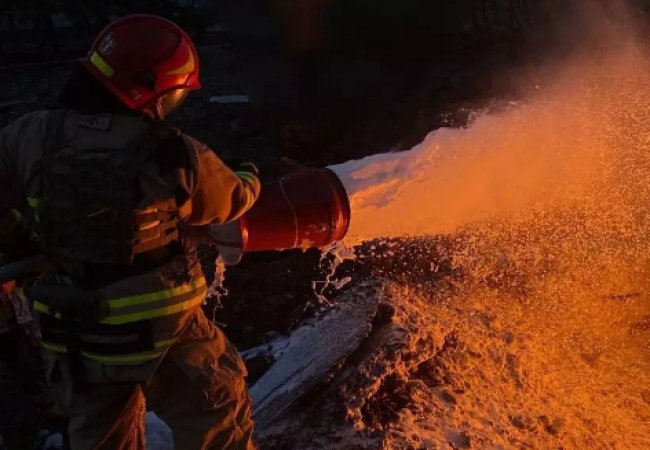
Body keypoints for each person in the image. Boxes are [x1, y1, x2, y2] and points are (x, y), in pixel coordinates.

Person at [0, 14, 260, 450]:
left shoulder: (32, 133)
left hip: (73, 332)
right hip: (162, 331)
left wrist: (19, 241)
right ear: (150, 89)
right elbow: (229, 200)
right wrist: (249, 176)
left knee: (100, 436)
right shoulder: (171, 150)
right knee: (216, 412)